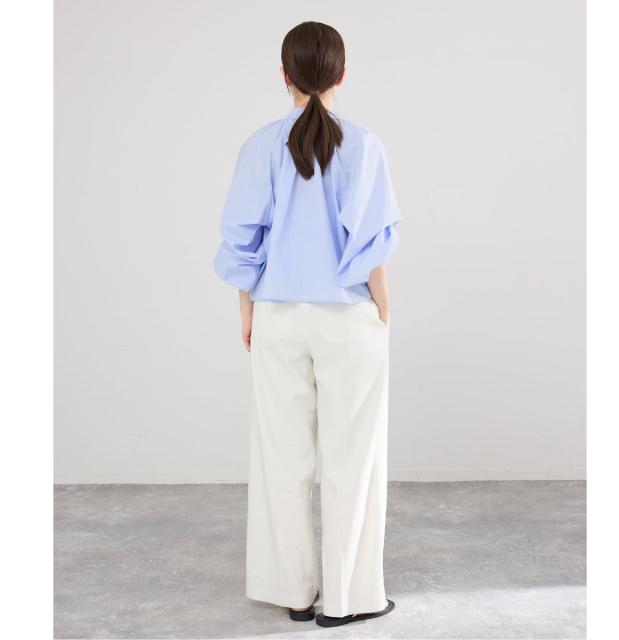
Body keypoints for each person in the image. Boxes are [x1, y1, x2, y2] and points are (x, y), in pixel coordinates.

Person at [214, 21, 401, 628]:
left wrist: (248, 307)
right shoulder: (363, 144)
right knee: (354, 458)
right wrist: (383, 307)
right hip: (347, 316)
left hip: (277, 314)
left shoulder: (259, 145)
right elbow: (370, 242)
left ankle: (292, 592)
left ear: (284, 76)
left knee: (281, 456)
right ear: (341, 74)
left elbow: (242, 237)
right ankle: (349, 599)